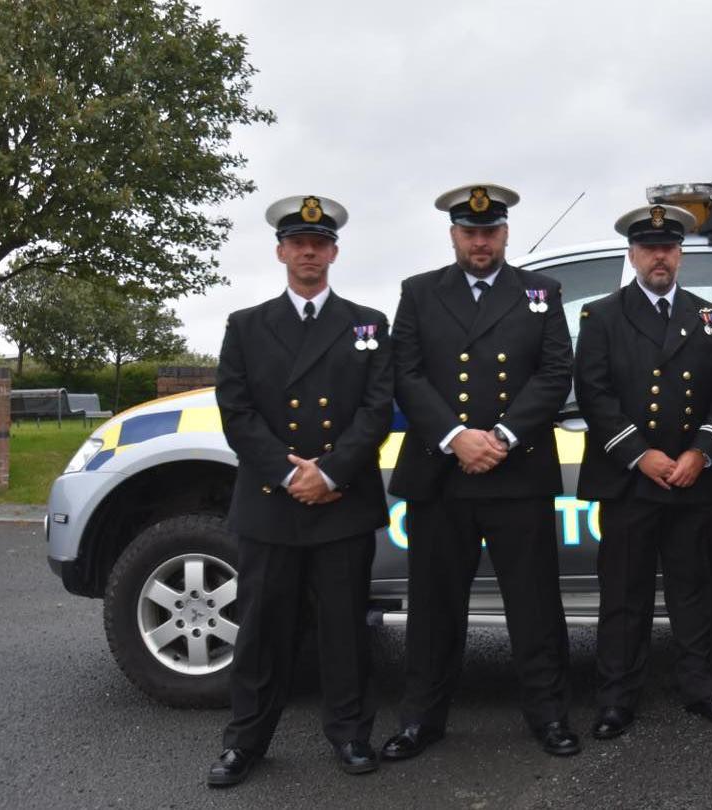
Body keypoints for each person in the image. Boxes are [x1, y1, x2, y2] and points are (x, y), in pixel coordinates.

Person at [381, 183, 580, 758]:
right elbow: (406, 373)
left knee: (535, 603)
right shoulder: (418, 293)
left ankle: (549, 715)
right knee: (435, 605)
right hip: (440, 473)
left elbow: (553, 372)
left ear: (505, 233)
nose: (480, 240)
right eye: (470, 231)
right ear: (453, 236)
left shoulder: (541, 292)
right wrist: (454, 437)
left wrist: (501, 436)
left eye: (490, 231)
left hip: (515, 470)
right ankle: (422, 719)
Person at [208, 195, 393, 786]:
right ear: (281, 251)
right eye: (298, 243)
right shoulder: (246, 325)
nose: (309, 251)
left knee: (345, 628)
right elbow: (236, 412)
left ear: (334, 251)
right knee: (263, 629)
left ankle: (350, 734)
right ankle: (246, 741)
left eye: (319, 243)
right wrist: (290, 474)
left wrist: (330, 471)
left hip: (342, 500)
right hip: (271, 501)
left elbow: (377, 408)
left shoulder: (368, 323)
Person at [574, 203, 712, 740]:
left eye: (669, 248)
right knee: (623, 594)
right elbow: (594, 395)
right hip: (628, 480)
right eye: (649, 248)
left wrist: (700, 453)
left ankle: (703, 687)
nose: (660, 257)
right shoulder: (601, 316)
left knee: (697, 589)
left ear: (680, 254)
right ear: (632, 254)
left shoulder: (709, 316)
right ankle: (617, 696)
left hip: (692, 479)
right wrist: (640, 454)